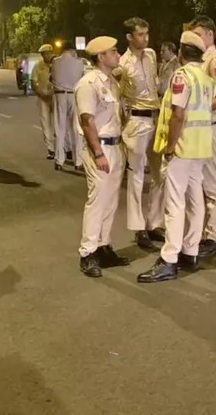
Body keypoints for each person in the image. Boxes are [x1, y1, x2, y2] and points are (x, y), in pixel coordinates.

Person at [138, 31, 214, 283]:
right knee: (195, 200)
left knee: (174, 203)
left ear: (181, 51)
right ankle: (190, 251)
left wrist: (170, 146)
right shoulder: (205, 77)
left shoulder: (182, 75)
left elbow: (178, 114)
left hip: (182, 148)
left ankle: (169, 258)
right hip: (201, 147)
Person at [75, 36, 129, 277]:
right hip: (101, 149)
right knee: (97, 201)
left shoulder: (112, 83)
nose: (118, 55)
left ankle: (103, 246)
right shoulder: (88, 83)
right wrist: (98, 153)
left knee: (111, 201)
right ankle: (87, 253)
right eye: (113, 51)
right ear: (101, 57)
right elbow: (87, 122)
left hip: (116, 147)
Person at [114, 17, 165, 250]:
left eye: (147, 33)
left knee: (160, 174)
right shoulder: (122, 64)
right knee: (136, 177)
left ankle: (155, 222)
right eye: (141, 34)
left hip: (155, 118)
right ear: (129, 37)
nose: (145, 38)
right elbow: (118, 97)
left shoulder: (152, 55)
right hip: (136, 120)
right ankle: (138, 227)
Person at [187, 15, 216, 259]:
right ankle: (204, 233)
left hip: (211, 127)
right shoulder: (200, 60)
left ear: (210, 35)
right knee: (199, 184)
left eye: (198, 35)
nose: (195, 40)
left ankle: (214, 236)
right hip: (199, 129)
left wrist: (196, 107)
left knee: (212, 184)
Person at [52, 43, 86, 171]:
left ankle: (59, 160)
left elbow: (52, 77)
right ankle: (78, 161)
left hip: (59, 95)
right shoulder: (79, 62)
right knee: (76, 129)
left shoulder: (55, 62)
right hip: (74, 95)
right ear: (71, 50)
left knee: (59, 128)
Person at [32, 44, 57, 160]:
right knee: (46, 123)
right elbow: (33, 81)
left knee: (59, 124)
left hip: (56, 97)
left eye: (49, 53)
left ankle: (64, 147)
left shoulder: (58, 64)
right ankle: (51, 149)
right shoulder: (38, 66)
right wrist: (39, 91)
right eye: (45, 54)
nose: (47, 55)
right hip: (42, 97)